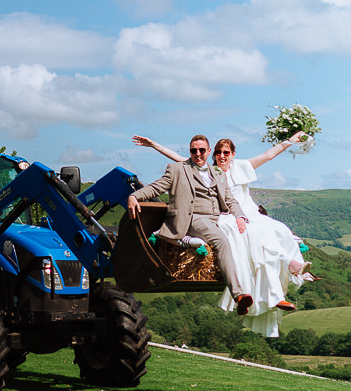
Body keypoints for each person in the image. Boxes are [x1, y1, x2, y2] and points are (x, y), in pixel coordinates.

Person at [132, 131, 314, 336]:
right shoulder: (200, 168)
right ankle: (258, 289)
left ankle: (287, 267)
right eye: (218, 152)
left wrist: (290, 141)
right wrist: (154, 145)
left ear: (233, 153)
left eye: (225, 152)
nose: (222, 155)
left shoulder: (234, 169)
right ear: (213, 154)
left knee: (277, 230)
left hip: (245, 213)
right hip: (221, 216)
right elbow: (174, 163)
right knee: (248, 237)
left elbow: (268, 155)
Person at [125, 134, 256, 316]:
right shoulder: (177, 169)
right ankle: (239, 296)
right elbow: (157, 187)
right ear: (190, 152)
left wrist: (240, 217)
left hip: (218, 217)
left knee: (249, 235)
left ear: (208, 152)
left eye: (202, 150)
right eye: (194, 150)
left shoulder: (217, 172)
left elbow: (229, 199)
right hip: (194, 218)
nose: (198, 153)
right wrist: (134, 196)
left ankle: (260, 288)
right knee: (222, 241)